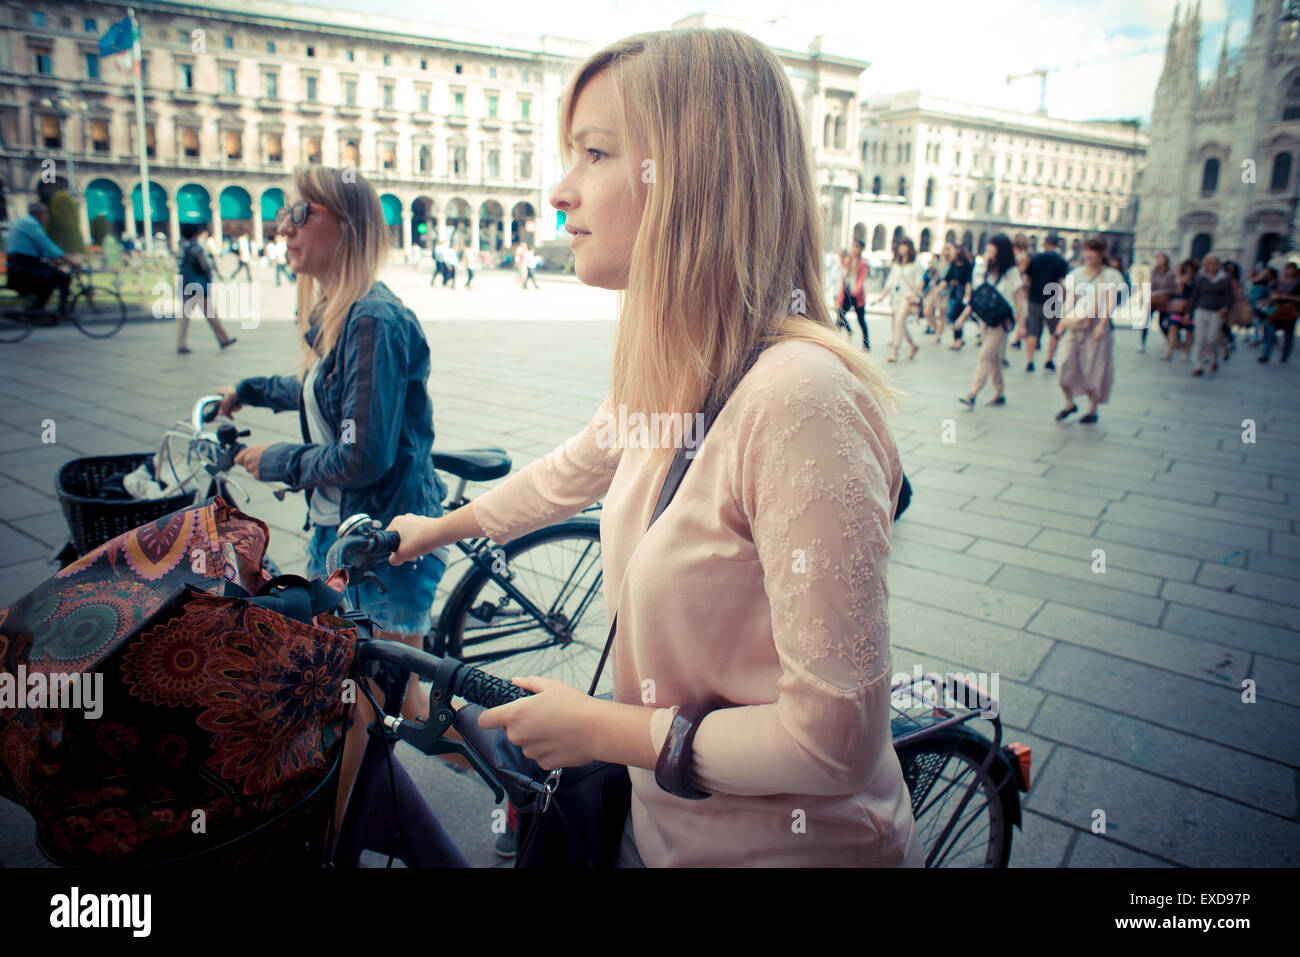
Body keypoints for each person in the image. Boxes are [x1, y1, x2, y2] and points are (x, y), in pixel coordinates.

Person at [384, 27, 923, 868]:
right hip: (656, 831)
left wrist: (602, 727)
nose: (560, 191)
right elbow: (573, 471)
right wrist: (435, 528)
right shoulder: (671, 368)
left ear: (691, 174)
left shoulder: (798, 400)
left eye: (595, 153)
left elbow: (836, 742)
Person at [211, 165, 450, 829]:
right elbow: (326, 394)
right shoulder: (340, 311)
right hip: (344, 537)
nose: (283, 226)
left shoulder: (373, 317)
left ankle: (527, 776)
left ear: (344, 225)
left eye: (299, 211)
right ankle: (523, 778)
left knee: (365, 707)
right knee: (382, 701)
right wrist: (254, 389)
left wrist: (276, 460)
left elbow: (361, 453)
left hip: (379, 545)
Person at [954, 234, 1023, 409]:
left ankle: (973, 393)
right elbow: (977, 298)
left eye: (992, 249)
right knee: (994, 358)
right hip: (985, 320)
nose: (989, 252)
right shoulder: (983, 269)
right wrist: (962, 318)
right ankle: (999, 392)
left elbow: (1019, 299)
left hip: (1001, 322)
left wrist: (1021, 325)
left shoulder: (1011, 272)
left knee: (985, 355)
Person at [1054, 238, 1119, 424]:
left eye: (1093, 251)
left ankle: (1092, 408)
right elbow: (1069, 300)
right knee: (1063, 364)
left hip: (1096, 324)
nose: (1089, 255)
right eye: (1086, 251)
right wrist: (1061, 323)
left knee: (1093, 367)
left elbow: (1110, 303)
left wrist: (1101, 325)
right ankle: (1069, 402)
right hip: (1075, 323)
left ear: (1101, 254)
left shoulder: (1111, 276)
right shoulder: (1076, 274)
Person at [3, 202, 74, 318]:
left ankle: (39, 309)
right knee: (63, 277)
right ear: (39, 213)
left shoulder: (22, 221)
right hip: (24, 262)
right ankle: (61, 311)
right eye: (45, 213)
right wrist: (69, 261)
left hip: (19, 261)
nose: (46, 217)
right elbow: (46, 244)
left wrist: (54, 259)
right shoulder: (31, 224)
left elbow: (37, 247)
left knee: (51, 278)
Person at [176, 226, 236, 354]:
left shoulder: (183, 247)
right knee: (211, 314)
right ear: (194, 234)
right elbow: (205, 266)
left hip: (186, 284)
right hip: (198, 285)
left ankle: (181, 343)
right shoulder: (196, 248)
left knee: (184, 316)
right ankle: (223, 339)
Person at [1023, 233, 1070, 372]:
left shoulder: (1036, 259)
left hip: (1034, 300)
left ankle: (1030, 361)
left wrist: (1028, 296)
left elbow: (1027, 281)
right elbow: (1062, 284)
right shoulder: (1061, 261)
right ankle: (1049, 360)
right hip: (1052, 301)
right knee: (1054, 331)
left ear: (1045, 243)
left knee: (1032, 331)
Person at [873, 237, 922, 362]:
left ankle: (895, 350)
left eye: (904, 245)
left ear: (909, 247)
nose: (901, 248)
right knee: (899, 324)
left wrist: (914, 295)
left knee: (899, 321)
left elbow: (919, 282)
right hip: (896, 297)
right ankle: (912, 345)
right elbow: (890, 281)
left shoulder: (915, 263)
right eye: (900, 246)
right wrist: (882, 296)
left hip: (908, 297)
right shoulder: (897, 263)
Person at [1187, 254, 1233, 377]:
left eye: (1215, 263)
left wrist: (1225, 308)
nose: (1212, 266)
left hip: (1217, 311)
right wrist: (1188, 312)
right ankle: (1198, 365)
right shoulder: (1201, 277)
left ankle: (1213, 359)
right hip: (1201, 309)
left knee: (1211, 338)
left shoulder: (1224, 278)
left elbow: (1229, 296)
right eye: (1210, 263)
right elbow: (1195, 295)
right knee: (1200, 339)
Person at [1261, 262, 1300, 363]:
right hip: (1277, 309)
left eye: (1291, 269)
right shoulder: (1279, 282)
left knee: (1288, 336)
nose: (1289, 271)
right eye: (1288, 269)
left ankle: (1284, 356)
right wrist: (1274, 297)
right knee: (1270, 333)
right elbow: (1271, 293)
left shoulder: (1298, 283)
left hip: (1289, 310)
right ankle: (1266, 355)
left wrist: (1287, 297)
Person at [836, 239, 870, 350]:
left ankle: (866, 345)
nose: (854, 249)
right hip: (846, 294)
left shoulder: (863, 264)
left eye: (856, 247)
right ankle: (834, 341)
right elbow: (843, 278)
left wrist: (855, 291)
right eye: (852, 246)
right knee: (840, 317)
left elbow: (861, 280)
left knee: (861, 320)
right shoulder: (847, 261)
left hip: (857, 296)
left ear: (860, 249)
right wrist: (840, 295)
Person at [946, 246, 974, 350]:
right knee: (953, 317)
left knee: (956, 316)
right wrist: (937, 291)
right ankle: (957, 340)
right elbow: (947, 278)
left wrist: (967, 294)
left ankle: (958, 340)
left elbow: (968, 281)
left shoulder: (967, 265)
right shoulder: (953, 264)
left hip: (962, 294)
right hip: (954, 292)